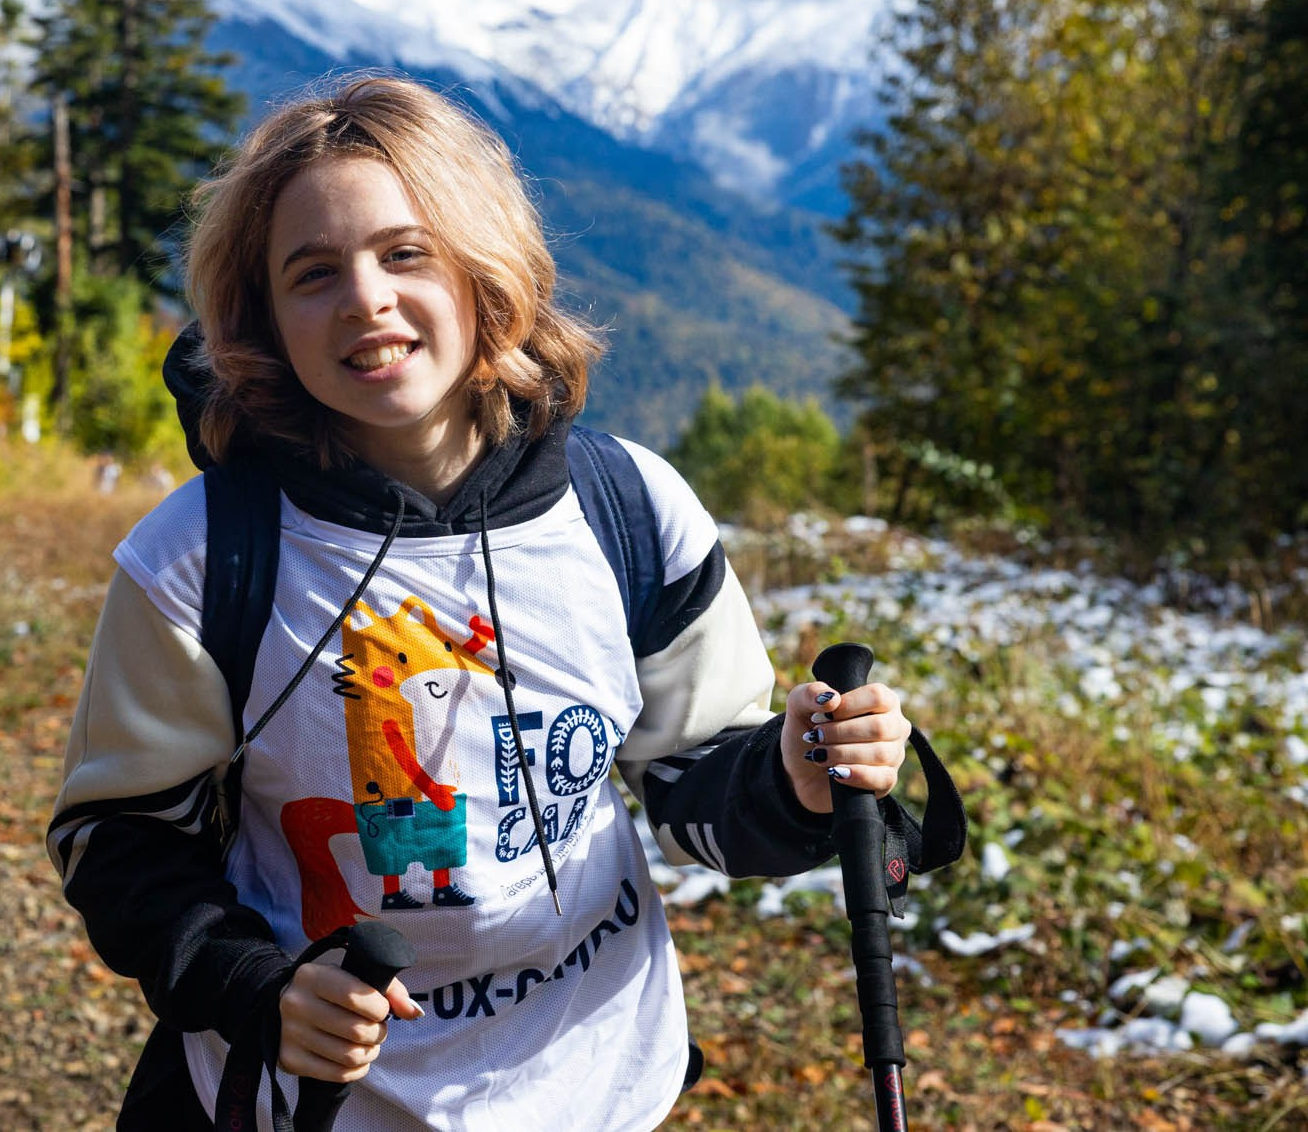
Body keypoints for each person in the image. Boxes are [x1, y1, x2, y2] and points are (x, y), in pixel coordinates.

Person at [46, 76, 920, 1129]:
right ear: (262, 317)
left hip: (594, 1087)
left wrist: (797, 778)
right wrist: (258, 990)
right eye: (312, 272)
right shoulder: (199, 560)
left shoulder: (629, 508)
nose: (364, 297)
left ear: (484, 269)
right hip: (312, 1103)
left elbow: (696, 784)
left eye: (406, 253)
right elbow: (121, 841)